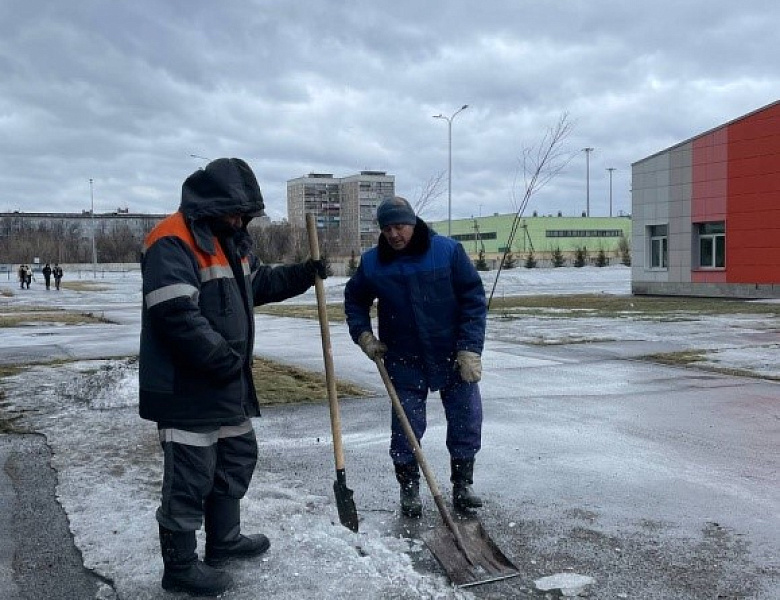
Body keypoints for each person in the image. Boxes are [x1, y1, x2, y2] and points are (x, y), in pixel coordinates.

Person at [139, 157, 326, 597]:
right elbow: (174, 313)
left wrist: (302, 274)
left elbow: (256, 284)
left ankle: (223, 542)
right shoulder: (171, 240)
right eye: (237, 211)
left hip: (226, 384)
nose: (243, 219)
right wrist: (222, 358)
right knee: (189, 476)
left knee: (236, 457)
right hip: (186, 386)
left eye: (248, 213)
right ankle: (181, 567)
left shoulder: (231, 240)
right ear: (212, 204)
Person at [344, 196, 487, 518]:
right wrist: (364, 335)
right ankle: (409, 489)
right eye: (387, 228)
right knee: (406, 426)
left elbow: (473, 301)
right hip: (403, 357)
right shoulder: (373, 263)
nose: (394, 234)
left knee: (466, 419)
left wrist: (470, 348)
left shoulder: (447, 251)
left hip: (452, 354)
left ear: (413, 222)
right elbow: (354, 300)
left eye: (400, 226)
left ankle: (462, 485)